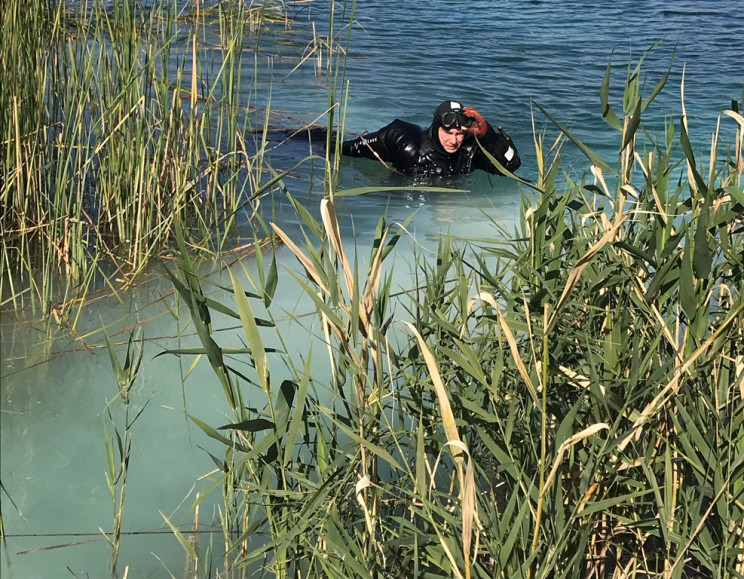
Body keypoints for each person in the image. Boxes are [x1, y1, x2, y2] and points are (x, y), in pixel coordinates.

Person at [341, 100, 520, 177]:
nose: (454, 140)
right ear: (435, 128)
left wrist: (486, 133)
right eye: (448, 133)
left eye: (459, 134)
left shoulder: (469, 151)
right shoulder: (405, 140)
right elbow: (349, 149)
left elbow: (510, 166)